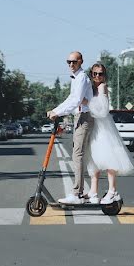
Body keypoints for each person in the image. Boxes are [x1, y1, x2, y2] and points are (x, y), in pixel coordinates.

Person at [83, 62, 134, 204]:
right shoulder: (92, 87)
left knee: (108, 158)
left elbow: (103, 110)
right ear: (91, 74)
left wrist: (87, 102)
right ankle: (93, 191)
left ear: (104, 76)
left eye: (100, 74)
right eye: (95, 74)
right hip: (94, 127)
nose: (97, 76)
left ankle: (112, 190)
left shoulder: (102, 87)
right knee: (94, 159)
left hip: (103, 128)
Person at [46, 51, 92, 205]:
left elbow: (76, 101)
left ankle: (77, 193)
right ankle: (79, 192)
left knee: (77, 155)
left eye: (74, 62)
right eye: (69, 62)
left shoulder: (82, 78)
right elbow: (70, 99)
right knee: (77, 154)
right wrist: (56, 110)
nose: (71, 64)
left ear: (81, 62)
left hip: (84, 117)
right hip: (79, 117)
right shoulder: (76, 78)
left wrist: (57, 112)